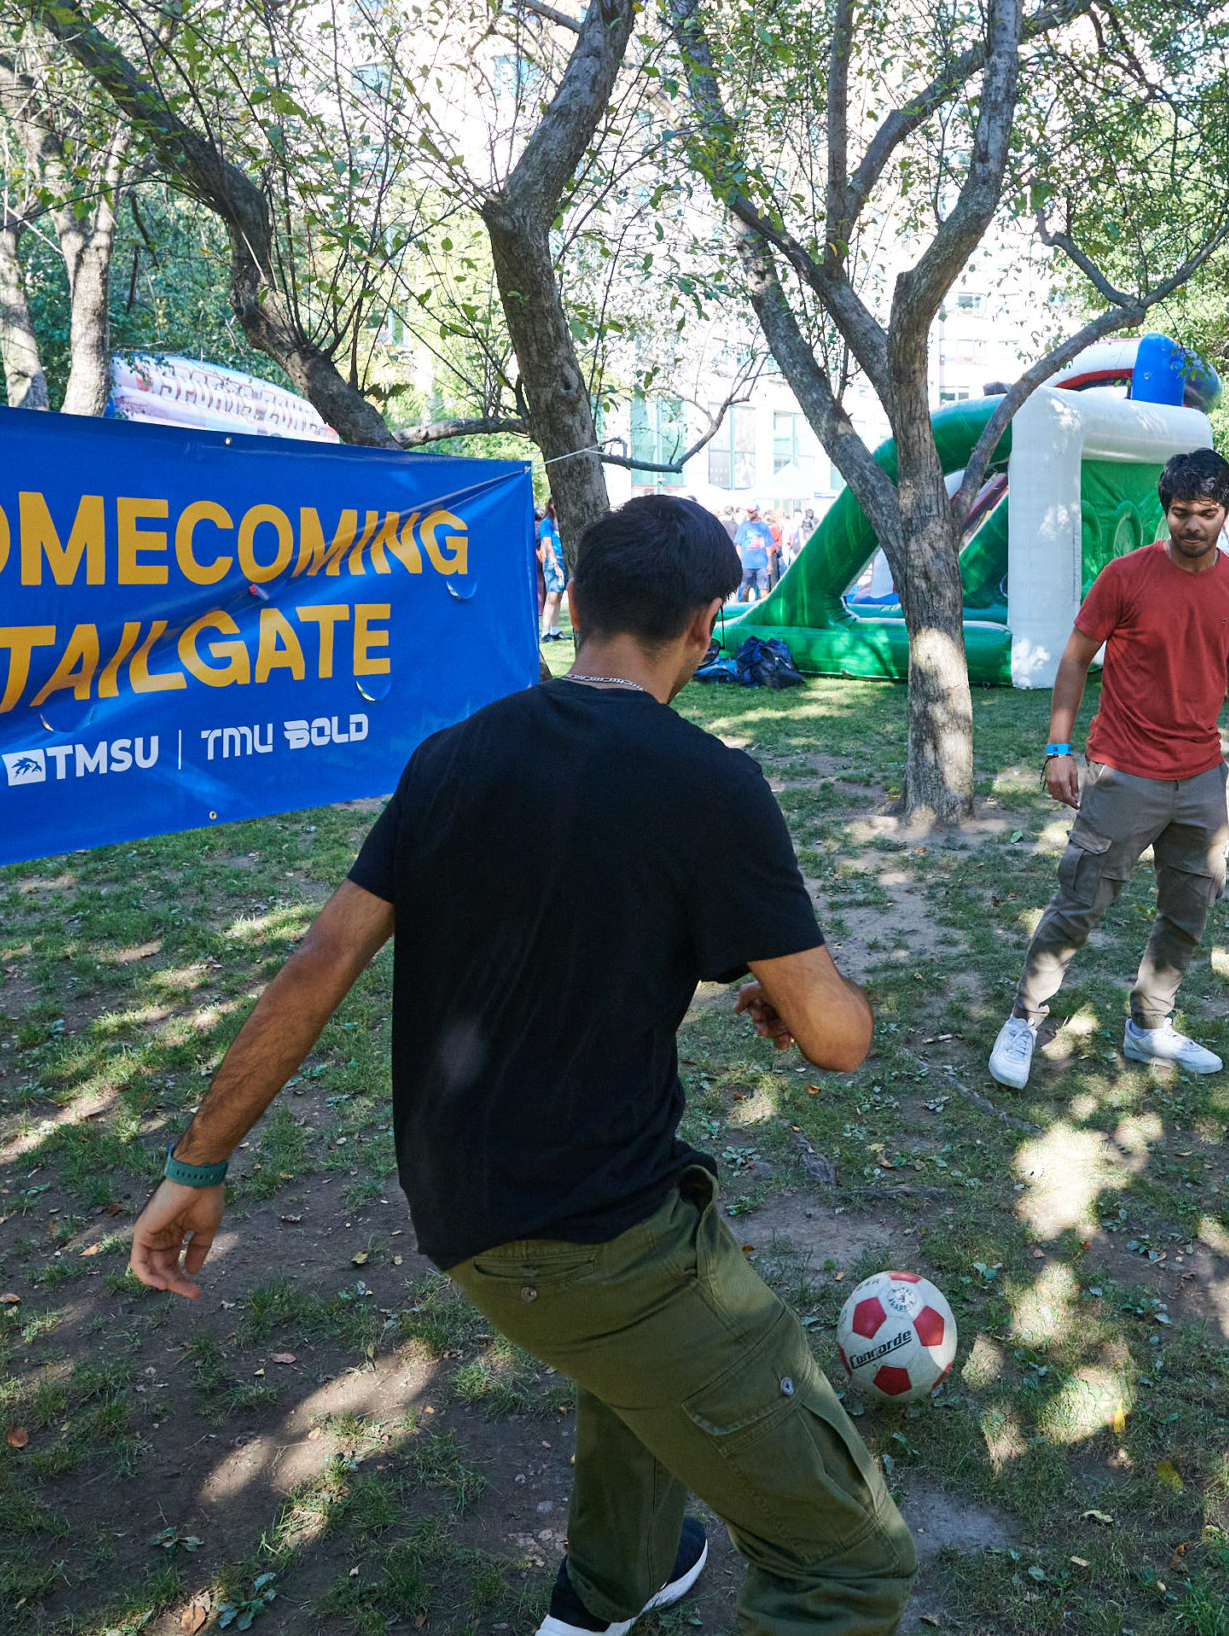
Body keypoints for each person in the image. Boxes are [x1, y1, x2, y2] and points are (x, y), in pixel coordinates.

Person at [126, 495, 916, 1635]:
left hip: (464, 1208)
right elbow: (836, 1037)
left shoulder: (453, 756)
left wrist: (197, 1161)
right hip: (592, 1235)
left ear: (574, 604)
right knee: (847, 1561)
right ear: (705, 625)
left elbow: (317, 965)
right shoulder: (711, 784)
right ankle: (627, 1583)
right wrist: (811, 999)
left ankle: (604, 1593)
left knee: (645, 1363)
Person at [988, 448, 1229, 1090]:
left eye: (1207, 513)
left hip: (1201, 779)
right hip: (1123, 775)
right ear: (1164, 509)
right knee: (1079, 903)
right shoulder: (1124, 577)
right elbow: (1073, 661)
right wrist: (1059, 750)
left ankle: (1149, 1028)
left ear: (1227, 512)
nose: (1193, 525)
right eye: (1180, 513)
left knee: (1188, 910)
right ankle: (1023, 1020)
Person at [536, 505, 566, 641]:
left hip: (562, 559)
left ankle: (555, 629)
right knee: (551, 597)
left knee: (559, 596)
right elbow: (548, 545)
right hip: (553, 562)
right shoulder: (546, 524)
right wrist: (555, 565)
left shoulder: (559, 522)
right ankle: (545, 631)